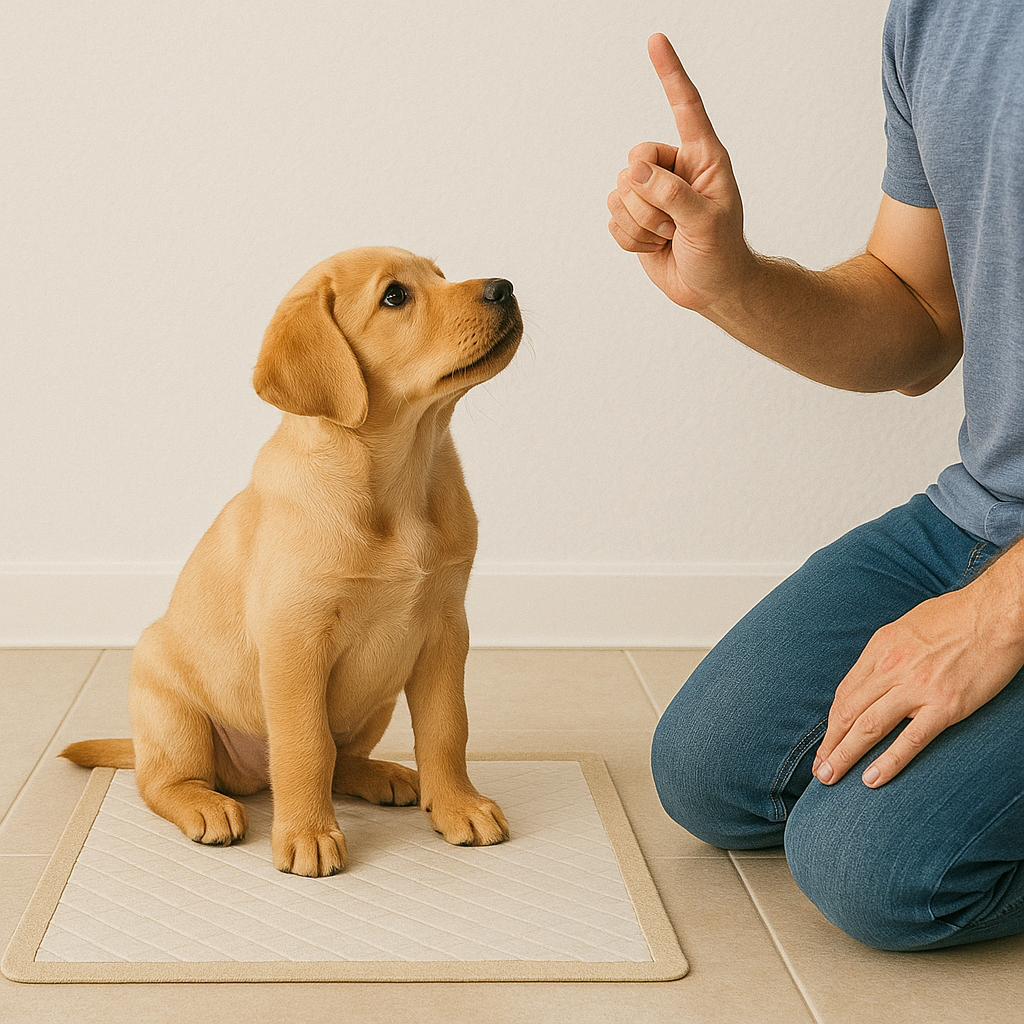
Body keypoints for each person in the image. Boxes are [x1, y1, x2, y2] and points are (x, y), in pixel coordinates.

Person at [608, 5, 1024, 952]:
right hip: (985, 510)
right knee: (707, 774)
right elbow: (918, 315)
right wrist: (731, 280)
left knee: (882, 873)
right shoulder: (939, 17)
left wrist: (995, 617)